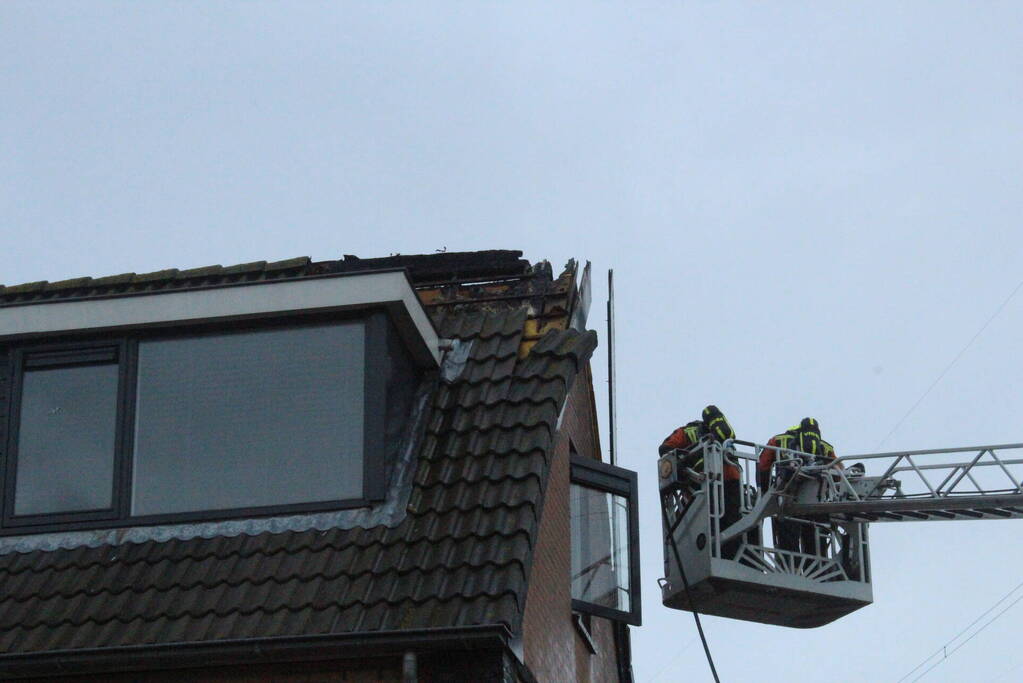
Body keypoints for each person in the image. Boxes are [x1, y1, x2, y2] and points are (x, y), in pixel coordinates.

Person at [659, 405, 744, 558]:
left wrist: (681, 465)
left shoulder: (687, 431)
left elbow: (665, 449)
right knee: (733, 521)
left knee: (704, 521)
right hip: (732, 479)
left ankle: (713, 554)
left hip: (704, 481)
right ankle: (732, 556)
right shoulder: (725, 434)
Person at [758, 418, 838, 556]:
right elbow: (838, 473)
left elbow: (763, 465)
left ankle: (791, 565)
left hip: (788, 499)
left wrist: (764, 491)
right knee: (815, 541)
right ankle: (819, 569)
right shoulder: (826, 447)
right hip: (817, 503)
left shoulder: (778, 440)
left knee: (788, 539)